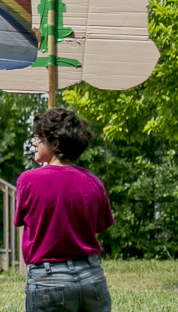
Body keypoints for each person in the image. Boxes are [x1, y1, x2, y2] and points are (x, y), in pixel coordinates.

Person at [15, 109, 113, 312]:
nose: (34, 142)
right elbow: (100, 227)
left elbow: (22, 221)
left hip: (48, 280)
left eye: (38, 138)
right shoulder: (94, 183)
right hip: (92, 276)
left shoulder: (28, 180)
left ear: (55, 143)